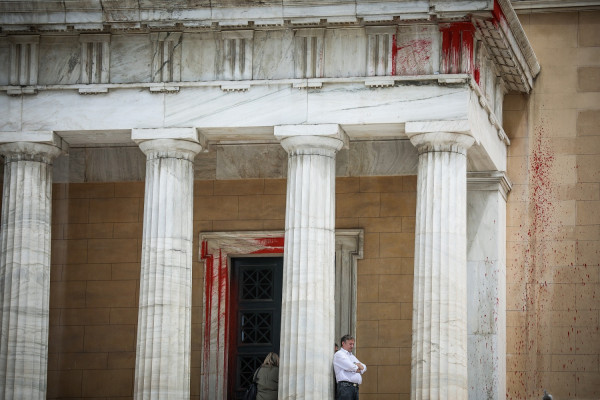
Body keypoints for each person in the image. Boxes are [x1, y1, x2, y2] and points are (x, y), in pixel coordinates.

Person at [333, 335, 367, 400]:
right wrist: (357, 366)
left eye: (353, 344)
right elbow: (351, 367)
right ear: (343, 343)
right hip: (345, 387)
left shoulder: (351, 356)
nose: (352, 346)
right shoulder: (339, 354)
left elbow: (364, 367)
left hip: (355, 388)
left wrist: (356, 365)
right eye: (350, 344)